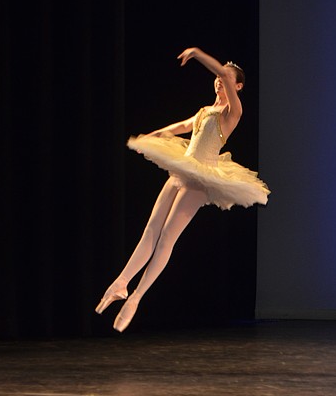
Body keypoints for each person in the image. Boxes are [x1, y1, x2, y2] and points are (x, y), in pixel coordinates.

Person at [95, 47, 269, 332]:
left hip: (200, 179)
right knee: (150, 231)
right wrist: (150, 137)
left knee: (166, 239)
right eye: (218, 78)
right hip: (181, 171)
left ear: (237, 86)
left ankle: (137, 297)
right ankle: (121, 284)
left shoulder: (231, 112)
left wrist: (198, 54)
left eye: (226, 79)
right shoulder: (205, 111)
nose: (220, 80)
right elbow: (181, 126)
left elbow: (223, 72)